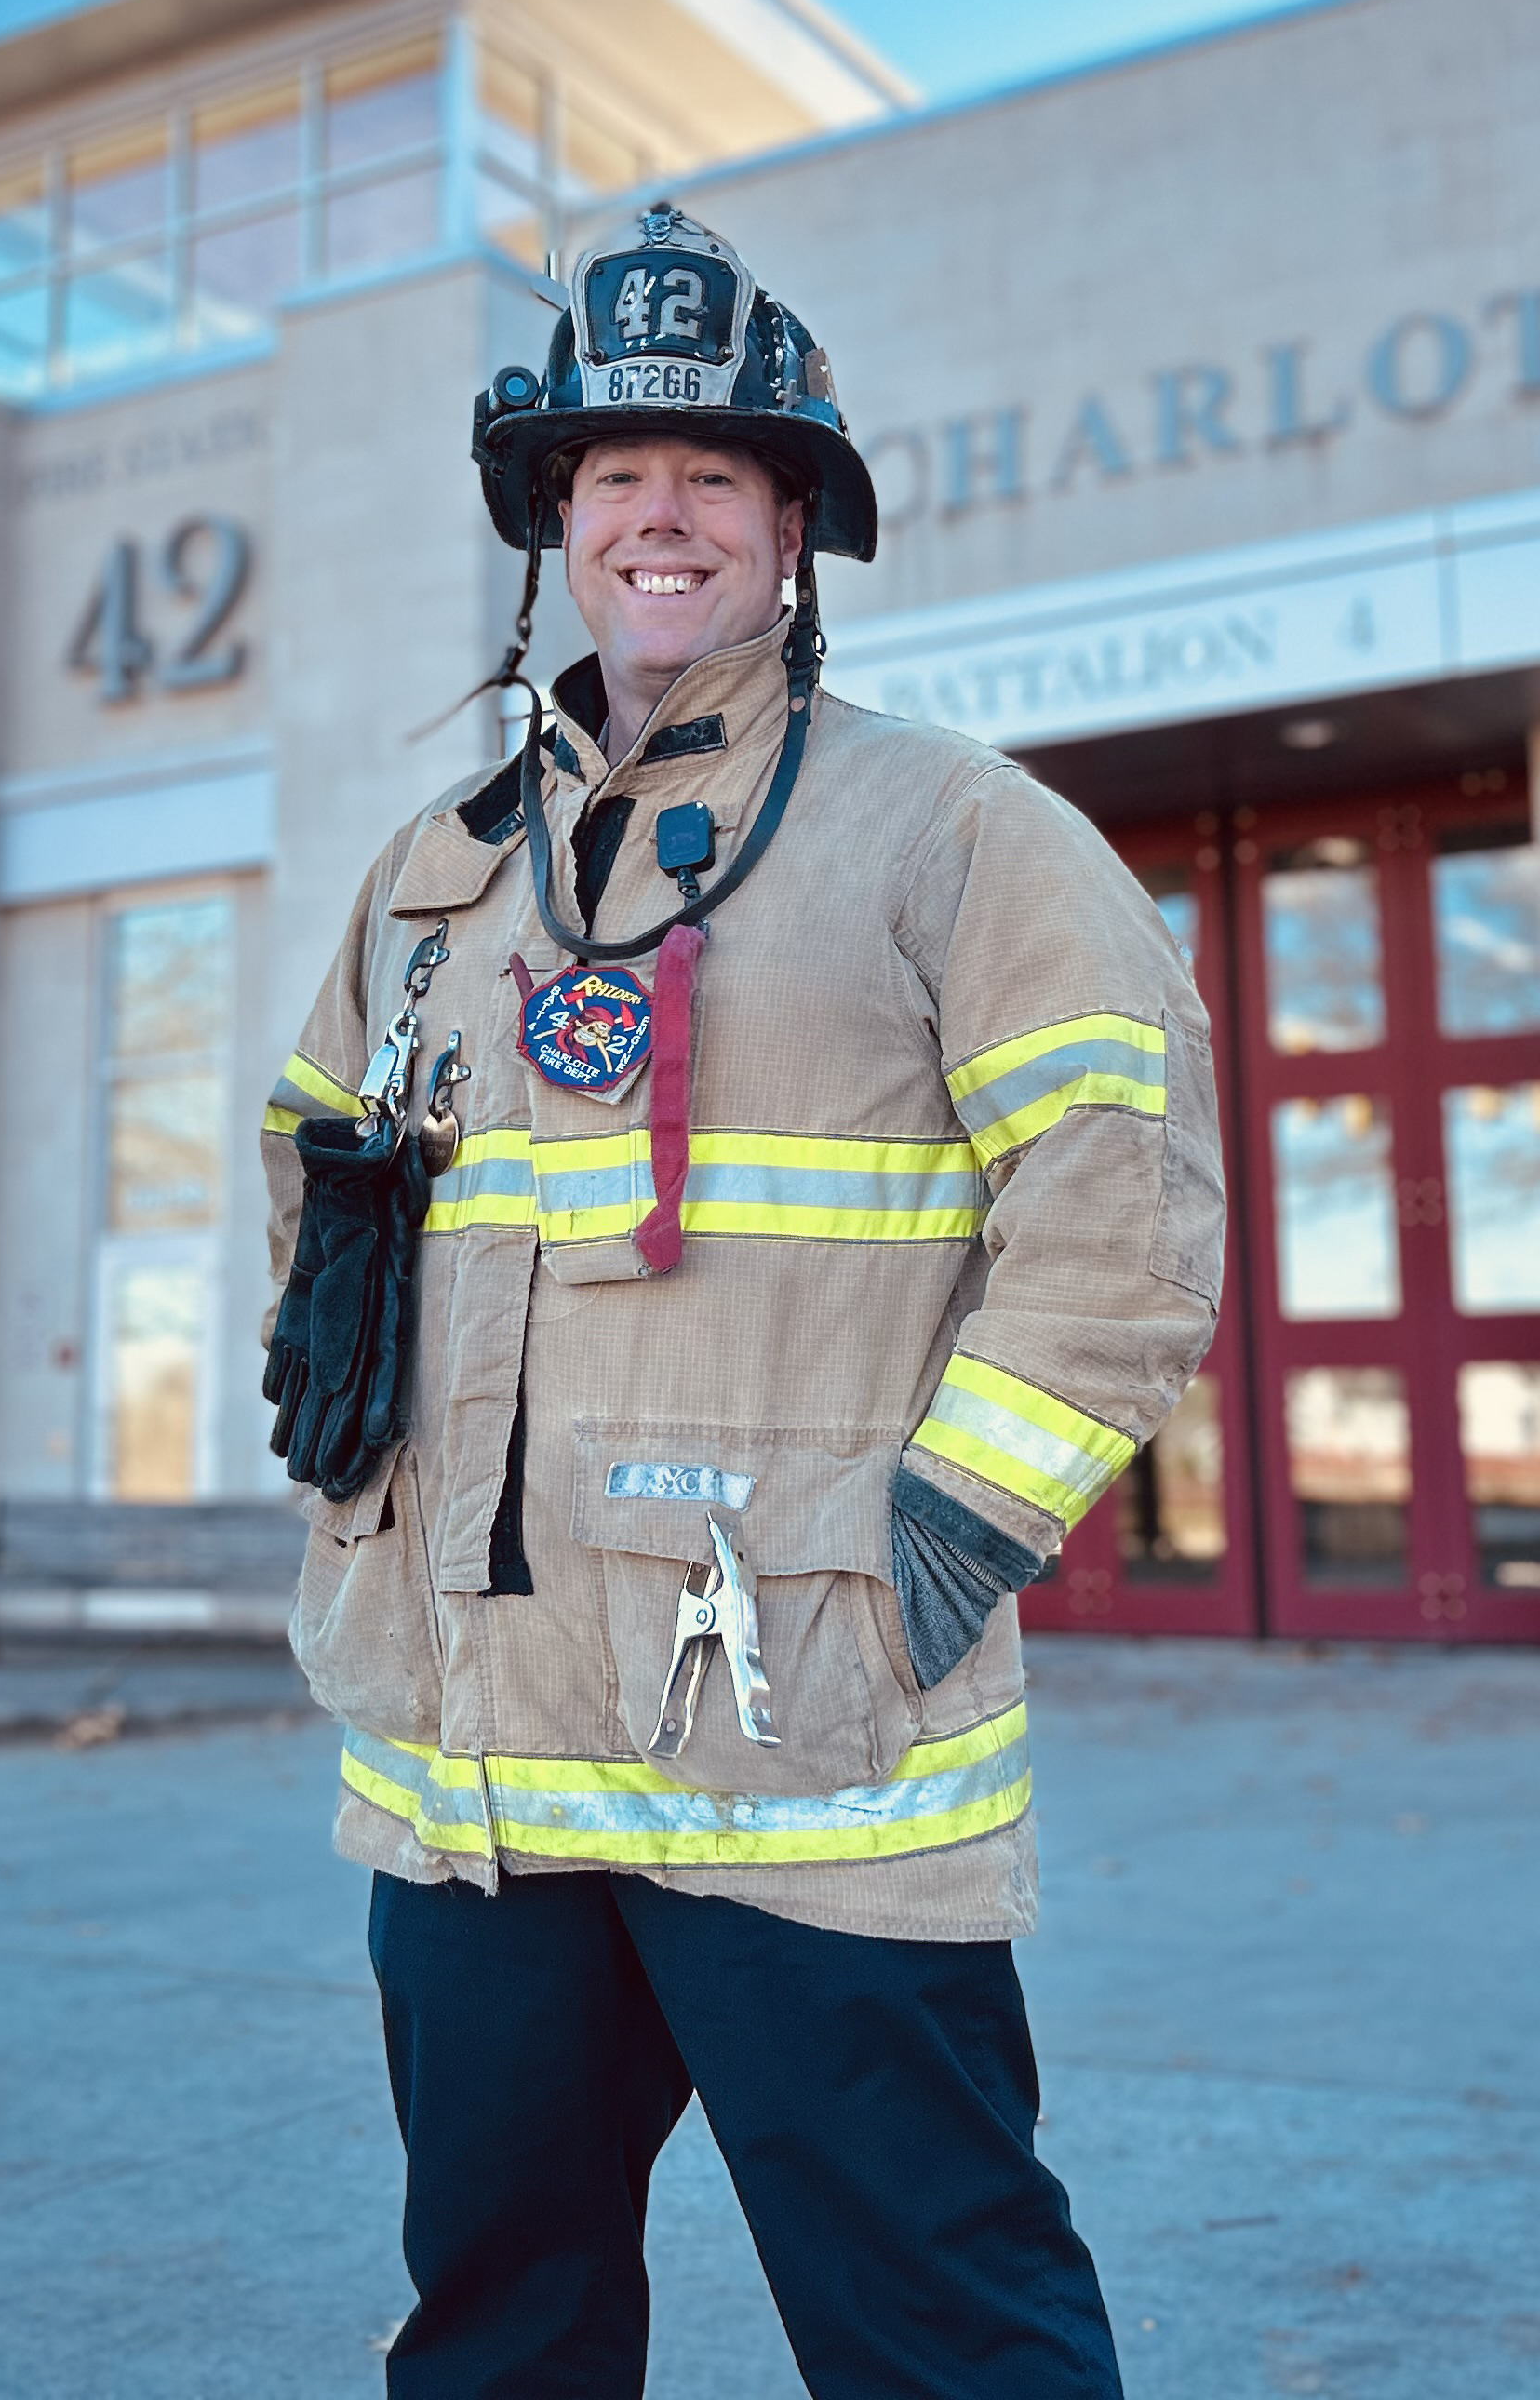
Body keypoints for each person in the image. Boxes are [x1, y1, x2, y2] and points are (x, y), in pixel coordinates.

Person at [260, 204, 1225, 2397]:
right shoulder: (437, 877)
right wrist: (346, 1477)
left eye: (715, 473)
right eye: (615, 472)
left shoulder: (954, 833)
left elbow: (1127, 1221)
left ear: (796, 528)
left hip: (808, 1746)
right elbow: (315, 1198)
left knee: (946, 2337)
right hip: (472, 1777)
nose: (661, 516)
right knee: (497, 2339)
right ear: (555, 520)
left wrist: (936, 1547)